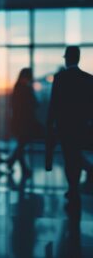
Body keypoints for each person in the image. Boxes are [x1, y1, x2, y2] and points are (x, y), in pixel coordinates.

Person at [47, 46, 93, 214]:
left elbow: (54, 104)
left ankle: (73, 188)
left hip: (65, 126)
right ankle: (74, 187)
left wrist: (50, 124)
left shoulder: (60, 78)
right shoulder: (88, 78)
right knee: (77, 155)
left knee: (69, 157)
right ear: (78, 59)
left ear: (66, 59)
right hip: (82, 126)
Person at [7, 68, 42, 178]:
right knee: (22, 145)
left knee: (21, 145)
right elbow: (34, 103)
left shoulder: (18, 87)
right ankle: (18, 166)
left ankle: (13, 163)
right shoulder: (25, 89)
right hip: (25, 122)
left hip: (19, 122)